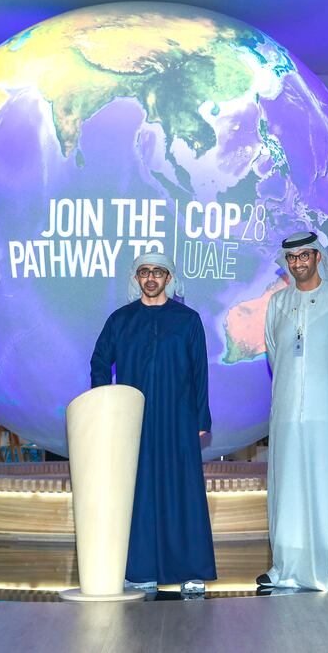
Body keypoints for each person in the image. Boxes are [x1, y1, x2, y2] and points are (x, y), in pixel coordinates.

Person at [90, 252, 216, 595]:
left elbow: (199, 372)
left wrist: (201, 417)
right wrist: (107, 405)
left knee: (183, 492)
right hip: (134, 421)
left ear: (168, 278)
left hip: (179, 419)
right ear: (136, 278)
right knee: (139, 492)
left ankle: (191, 572)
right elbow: (100, 361)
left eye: (157, 272)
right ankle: (141, 570)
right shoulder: (121, 320)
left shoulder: (188, 320)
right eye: (144, 272)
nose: (150, 277)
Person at [257, 231, 328, 592]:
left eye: (305, 256)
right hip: (288, 414)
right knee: (288, 487)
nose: (298, 263)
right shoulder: (277, 303)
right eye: (292, 258)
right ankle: (286, 565)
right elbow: (276, 355)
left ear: (318, 257)